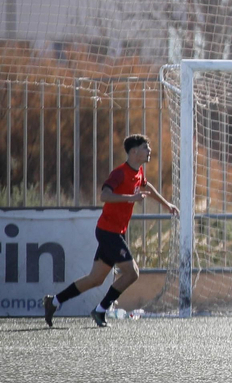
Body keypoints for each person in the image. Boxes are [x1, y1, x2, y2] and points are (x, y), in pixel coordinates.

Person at [43, 134, 176, 327]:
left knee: (95, 279)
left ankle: (53, 301)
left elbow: (146, 185)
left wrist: (166, 204)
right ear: (133, 151)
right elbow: (105, 195)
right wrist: (131, 198)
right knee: (132, 273)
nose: (149, 151)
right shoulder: (120, 173)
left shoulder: (138, 172)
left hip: (115, 232)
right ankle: (101, 310)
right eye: (145, 148)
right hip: (108, 232)